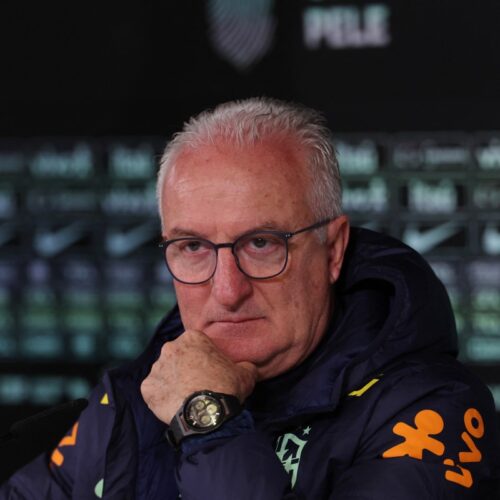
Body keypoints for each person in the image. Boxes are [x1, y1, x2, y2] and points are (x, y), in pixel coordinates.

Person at [2, 98, 499, 499]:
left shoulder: (435, 410)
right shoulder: (141, 390)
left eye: (262, 243)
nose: (227, 290)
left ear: (334, 249)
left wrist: (207, 421)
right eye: (193, 247)